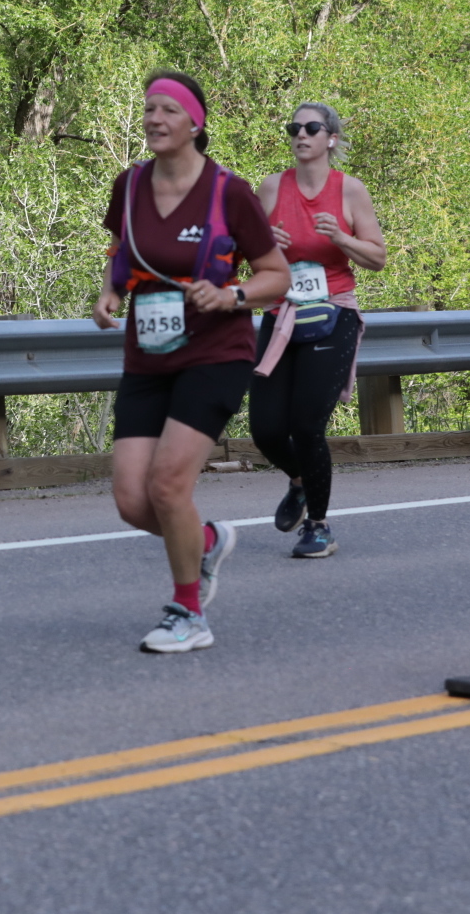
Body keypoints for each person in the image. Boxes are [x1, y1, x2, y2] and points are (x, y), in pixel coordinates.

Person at [93, 71, 290, 653]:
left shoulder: (229, 192)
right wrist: (110, 292)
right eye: (149, 108)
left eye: (168, 110)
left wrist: (233, 295)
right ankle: (204, 541)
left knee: (168, 485)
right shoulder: (129, 185)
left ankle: (188, 613)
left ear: (195, 123)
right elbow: (121, 250)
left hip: (215, 353)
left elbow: (276, 276)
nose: (154, 119)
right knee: (132, 501)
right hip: (148, 355)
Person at [250, 102, 387, 558]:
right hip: (281, 314)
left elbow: (377, 258)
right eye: (295, 128)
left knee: (307, 424)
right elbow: (243, 254)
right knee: (266, 429)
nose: (301, 135)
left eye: (312, 128)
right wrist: (265, 245)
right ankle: (300, 481)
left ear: (331, 138)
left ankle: (319, 526)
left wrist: (342, 238)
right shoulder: (272, 187)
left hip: (333, 313)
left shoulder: (350, 190)